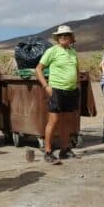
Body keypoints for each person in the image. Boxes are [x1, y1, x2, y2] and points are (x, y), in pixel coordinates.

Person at [36, 25, 80, 164]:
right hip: (57, 90)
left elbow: (76, 69)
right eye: (61, 36)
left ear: (71, 38)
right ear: (57, 38)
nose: (63, 37)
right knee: (54, 121)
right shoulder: (52, 51)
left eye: (66, 35)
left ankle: (64, 150)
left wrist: (77, 84)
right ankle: (48, 151)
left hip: (71, 90)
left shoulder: (73, 52)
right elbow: (38, 69)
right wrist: (46, 86)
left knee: (67, 121)